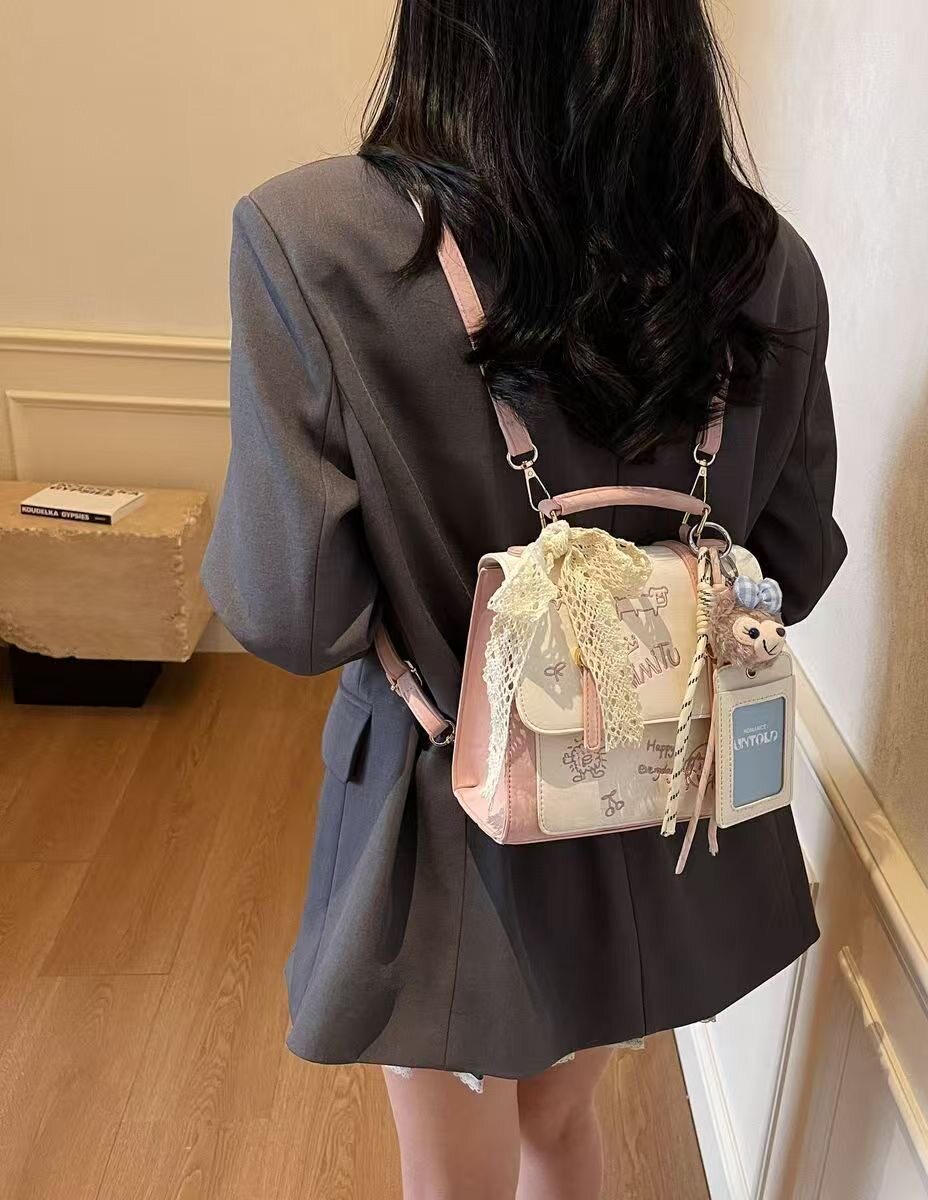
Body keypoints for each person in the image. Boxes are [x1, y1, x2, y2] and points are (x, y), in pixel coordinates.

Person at [201, 1, 846, 1196]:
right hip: (646, 799)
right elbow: (794, 562)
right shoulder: (764, 260)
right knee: (561, 1122)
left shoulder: (311, 238)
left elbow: (292, 611)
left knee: (454, 1174)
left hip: (444, 800)